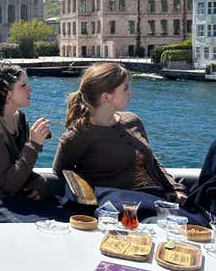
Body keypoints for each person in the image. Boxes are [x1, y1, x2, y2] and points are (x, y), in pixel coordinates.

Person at [53, 62, 216, 224]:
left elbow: (151, 161)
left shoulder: (132, 120)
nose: (130, 93)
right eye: (125, 88)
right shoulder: (78, 135)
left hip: (161, 195)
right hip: (131, 205)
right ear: (106, 97)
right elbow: (61, 173)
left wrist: (174, 188)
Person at [0, 62, 71, 223]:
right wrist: (34, 144)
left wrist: (38, 182)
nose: (30, 89)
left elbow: (19, 168)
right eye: (23, 85)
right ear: (5, 92)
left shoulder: (20, 119)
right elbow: (9, 183)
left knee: (72, 217)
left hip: (16, 196)